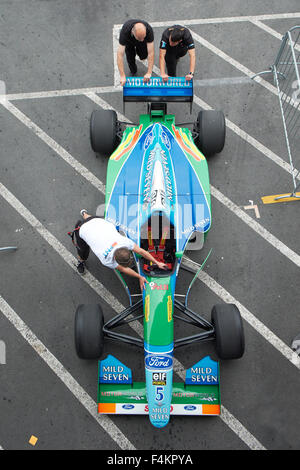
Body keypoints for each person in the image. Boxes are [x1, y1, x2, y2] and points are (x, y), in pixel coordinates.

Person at [71, 210, 167, 292]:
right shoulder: (106, 259)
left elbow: (142, 252)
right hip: (84, 229)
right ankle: (80, 261)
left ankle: (84, 213)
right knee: (83, 253)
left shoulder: (125, 242)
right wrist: (140, 277)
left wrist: (157, 262)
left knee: (89, 219)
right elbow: (124, 268)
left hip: (98, 222)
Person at [117, 19, 154, 86]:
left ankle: (139, 52)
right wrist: (122, 76)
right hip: (129, 42)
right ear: (133, 32)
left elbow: (151, 52)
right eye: (140, 38)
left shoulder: (149, 30)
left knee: (143, 56)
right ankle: (133, 70)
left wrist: (149, 72)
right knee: (130, 58)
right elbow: (120, 54)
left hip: (141, 43)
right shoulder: (125, 32)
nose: (142, 39)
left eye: (144, 37)